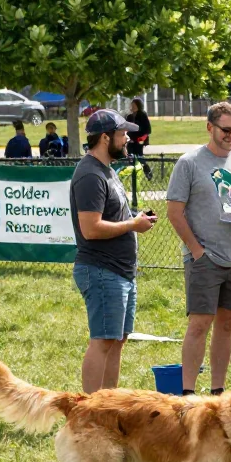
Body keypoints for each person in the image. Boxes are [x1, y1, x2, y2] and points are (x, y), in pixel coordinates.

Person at [165, 101, 231, 396]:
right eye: (226, 130)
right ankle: (188, 394)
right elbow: (174, 211)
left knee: (227, 324)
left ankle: (218, 390)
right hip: (205, 257)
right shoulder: (190, 163)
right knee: (200, 324)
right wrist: (196, 251)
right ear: (210, 127)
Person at [69, 109, 157, 392]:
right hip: (101, 270)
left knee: (117, 340)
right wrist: (133, 224)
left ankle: (109, 406)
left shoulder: (107, 170)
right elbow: (90, 228)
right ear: (105, 137)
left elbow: (113, 216)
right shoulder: (90, 175)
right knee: (104, 341)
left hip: (120, 272)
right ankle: (91, 412)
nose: (128, 138)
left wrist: (136, 217)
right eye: (123, 134)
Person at [125, 97, 153, 179]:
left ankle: (147, 173)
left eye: (134, 105)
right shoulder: (129, 117)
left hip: (139, 140)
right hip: (131, 141)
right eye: (132, 105)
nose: (132, 107)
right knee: (130, 157)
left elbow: (147, 129)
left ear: (138, 106)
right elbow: (126, 128)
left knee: (140, 157)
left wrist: (142, 138)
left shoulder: (142, 115)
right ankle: (131, 175)